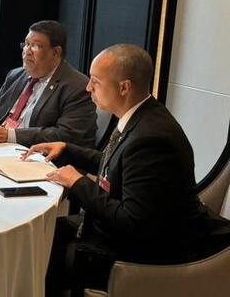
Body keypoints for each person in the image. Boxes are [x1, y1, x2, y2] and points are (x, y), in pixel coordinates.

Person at [24, 44, 230, 295]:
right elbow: (117, 163)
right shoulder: (141, 115)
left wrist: (78, 183)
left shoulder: (152, 139)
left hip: (146, 251)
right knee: (40, 236)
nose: (88, 88)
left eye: (95, 82)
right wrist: (67, 149)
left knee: (41, 253)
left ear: (124, 87)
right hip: (124, 230)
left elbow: (133, 222)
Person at [0, 20, 97, 147]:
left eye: (35, 46)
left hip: (36, 155)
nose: (27, 51)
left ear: (55, 52)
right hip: (0, 146)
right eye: (26, 44)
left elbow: (65, 135)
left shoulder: (77, 86)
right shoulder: (16, 75)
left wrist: (10, 135)